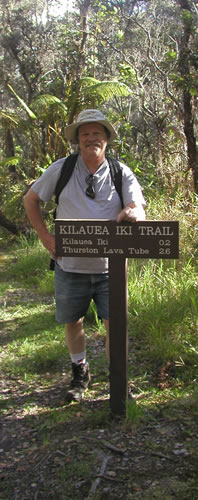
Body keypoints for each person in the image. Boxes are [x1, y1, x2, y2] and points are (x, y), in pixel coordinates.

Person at [23, 109, 146, 403]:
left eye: (97, 134)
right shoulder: (62, 169)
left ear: (106, 139)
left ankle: (119, 380)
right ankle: (80, 373)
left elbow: (138, 207)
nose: (91, 138)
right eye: (85, 134)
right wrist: (45, 236)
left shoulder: (120, 172)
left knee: (114, 324)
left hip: (110, 268)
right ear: (78, 139)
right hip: (70, 265)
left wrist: (133, 212)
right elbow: (31, 199)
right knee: (73, 321)